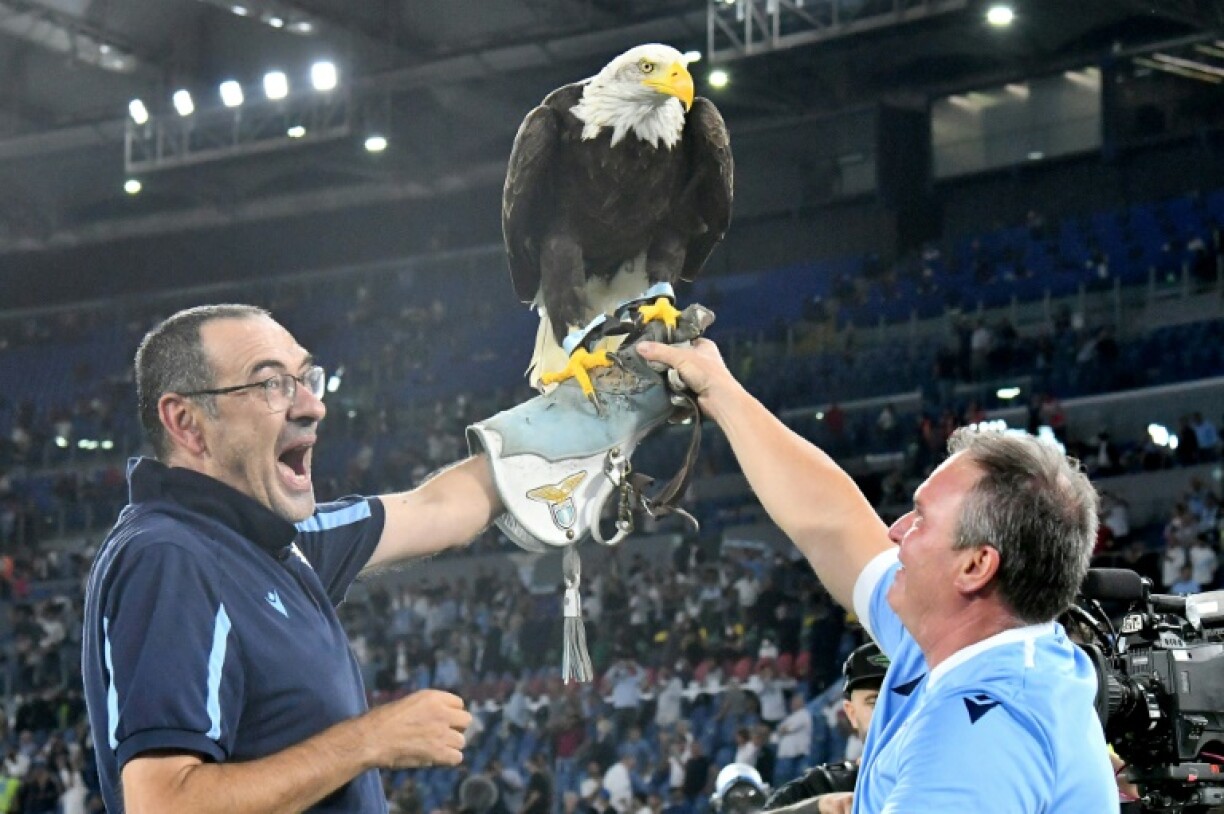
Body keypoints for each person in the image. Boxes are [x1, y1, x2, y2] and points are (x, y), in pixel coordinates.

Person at [634, 338, 1117, 812]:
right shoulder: (962, 643)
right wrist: (719, 390)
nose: (895, 532)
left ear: (974, 566)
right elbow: (833, 523)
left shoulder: (979, 732)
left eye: (920, 518)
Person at [82, 305, 501, 813]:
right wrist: (370, 739)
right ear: (187, 424)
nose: (312, 406)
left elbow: (437, 509)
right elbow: (165, 805)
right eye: (271, 385)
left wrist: (593, 411)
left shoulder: (272, 541)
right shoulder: (172, 557)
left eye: (306, 378)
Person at [763, 643, 889, 814]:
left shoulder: (935, 783)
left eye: (906, 697)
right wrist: (818, 807)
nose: (891, 711)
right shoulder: (821, 787)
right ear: (851, 713)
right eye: (874, 702)